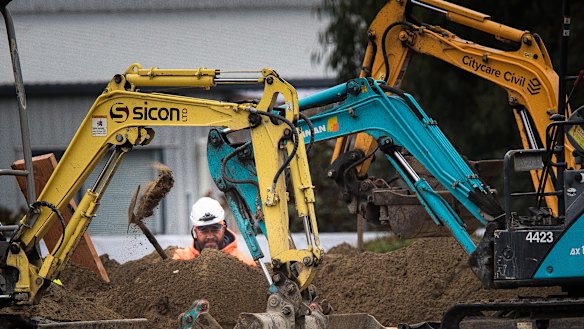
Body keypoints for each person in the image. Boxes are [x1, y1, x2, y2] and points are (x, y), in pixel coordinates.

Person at [172, 197, 256, 266]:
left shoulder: (244, 264)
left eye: (215, 229)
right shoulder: (181, 259)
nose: (210, 236)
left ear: (224, 228)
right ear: (195, 232)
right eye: (203, 230)